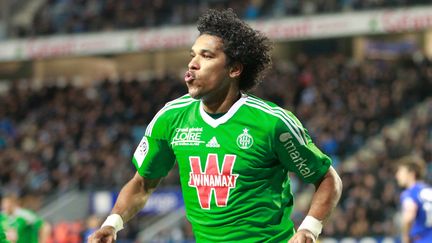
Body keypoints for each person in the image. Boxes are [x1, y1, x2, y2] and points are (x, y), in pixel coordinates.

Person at [89, 8, 342, 243]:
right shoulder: (171, 118)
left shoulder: (272, 123)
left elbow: (327, 179)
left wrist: (309, 228)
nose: (192, 64)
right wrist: (112, 224)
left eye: (206, 56)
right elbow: (142, 183)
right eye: (193, 55)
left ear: (234, 69)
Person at [395, 155, 432, 243]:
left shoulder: (410, 193)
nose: (397, 175)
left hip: (422, 239)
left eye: (400, 172)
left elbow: (409, 215)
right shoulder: (429, 191)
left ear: (411, 173)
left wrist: (405, 237)